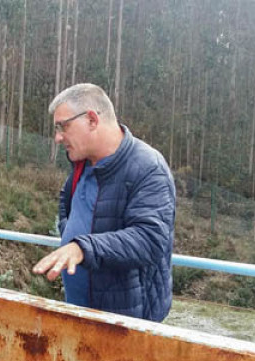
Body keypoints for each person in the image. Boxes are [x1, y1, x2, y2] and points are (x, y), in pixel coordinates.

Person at [32, 83, 176, 322]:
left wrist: (82, 248)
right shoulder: (81, 164)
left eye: (63, 126)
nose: (58, 137)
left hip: (125, 323)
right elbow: (68, 205)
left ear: (91, 119)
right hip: (81, 313)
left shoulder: (149, 167)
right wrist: (70, 235)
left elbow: (150, 239)